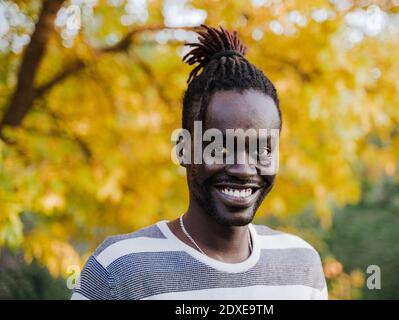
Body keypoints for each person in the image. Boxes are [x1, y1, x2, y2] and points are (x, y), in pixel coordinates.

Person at [71, 24, 327, 300]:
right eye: (220, 147)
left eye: (260, 150)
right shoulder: (119, 269)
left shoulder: (302, 266)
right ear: (183, 150)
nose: (243, 169)